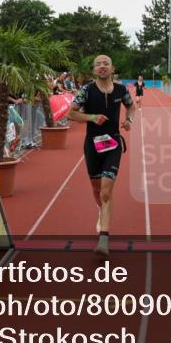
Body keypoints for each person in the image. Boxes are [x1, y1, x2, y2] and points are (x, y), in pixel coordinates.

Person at [66, 54, 136, 257]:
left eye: (106, 63)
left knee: (106, 192)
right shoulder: (86, 91)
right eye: (98, 64)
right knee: (97, 190)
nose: (102, 67)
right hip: (92, 146)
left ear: (112, 68)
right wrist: (92, 117)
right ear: (94, 70)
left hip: (113, 144)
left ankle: (103, 238)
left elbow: (131, 106)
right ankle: (101, 210)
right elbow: (71, 113)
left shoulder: (122, 90)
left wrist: (129, 120)